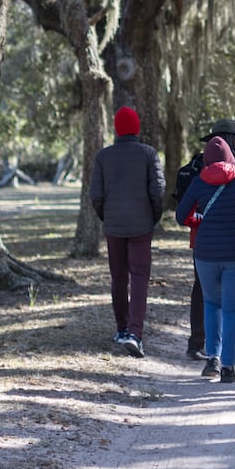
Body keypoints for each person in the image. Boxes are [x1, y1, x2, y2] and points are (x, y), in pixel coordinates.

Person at [173, 136, 235, 383]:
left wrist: (201, 219)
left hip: (206, 253)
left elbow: (182, 216)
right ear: (231, 157)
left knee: (211, 304)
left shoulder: (198, 182)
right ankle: (229, 367)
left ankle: (211, 360)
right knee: (233, 309)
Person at [90, 106, 164, 359]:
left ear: (116, 129)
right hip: (142, 226)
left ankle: (122, 328)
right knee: (140, 277)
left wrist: (107, 217)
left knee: (118, 277)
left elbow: (96, 196)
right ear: (137, 128)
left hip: (114, 227)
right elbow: (158, 191)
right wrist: (152, 217)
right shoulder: (148, 154)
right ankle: (135, 332)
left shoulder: (103, 156)